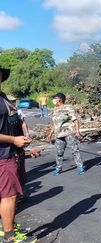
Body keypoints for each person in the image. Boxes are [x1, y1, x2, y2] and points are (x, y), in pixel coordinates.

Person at [0, 66, 36, 242]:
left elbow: (13, 124)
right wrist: (14, 141)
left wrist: (25, 148)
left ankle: (6, 229)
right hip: (3, 156)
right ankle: (10, 237)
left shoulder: (3, 97)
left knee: (9, 195)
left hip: (12, 153)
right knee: (9, 195)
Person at [46, 93, 85, 175]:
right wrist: (50, 134)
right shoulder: (55, 109)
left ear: (60, 99)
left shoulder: (68, 108)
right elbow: (55, 123)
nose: (54, 100)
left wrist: (77, 131)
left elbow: (75, 120)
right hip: (59, 135)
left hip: (69, 133)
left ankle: (80, 167)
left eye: (55, 98)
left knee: (74, 150)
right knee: (59, 153)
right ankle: (58, 169)